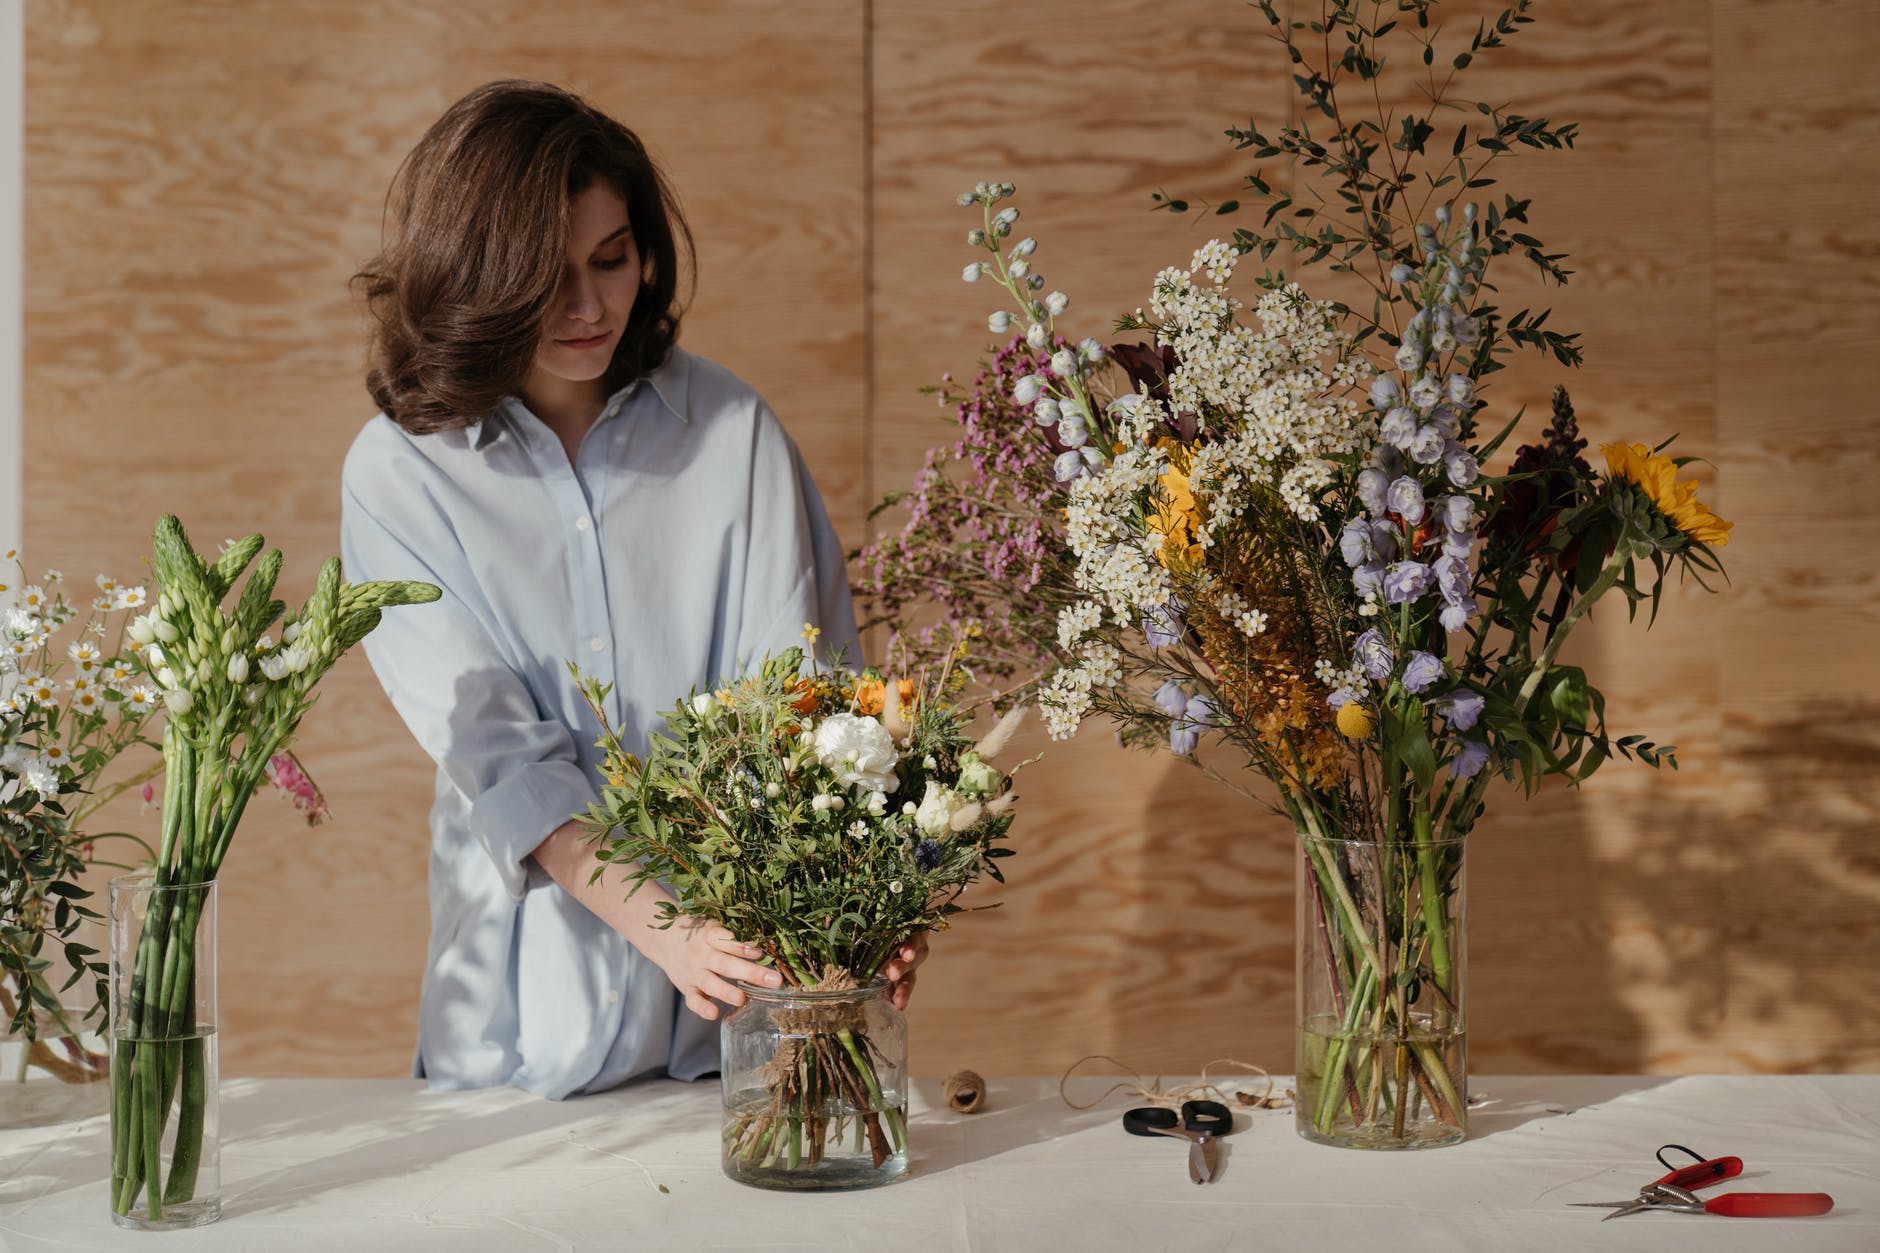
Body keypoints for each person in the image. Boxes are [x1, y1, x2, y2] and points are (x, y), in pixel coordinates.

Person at [340, 80, 926, 1099]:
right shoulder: (400, 473)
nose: (586, 306)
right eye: (544, 278)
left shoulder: (731, 435)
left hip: (733, 1035)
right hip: (517, 1041)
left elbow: (808, 713)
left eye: (608, 259)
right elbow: (503, 762)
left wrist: (862, 907)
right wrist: (675, 933)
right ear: (478, 280)